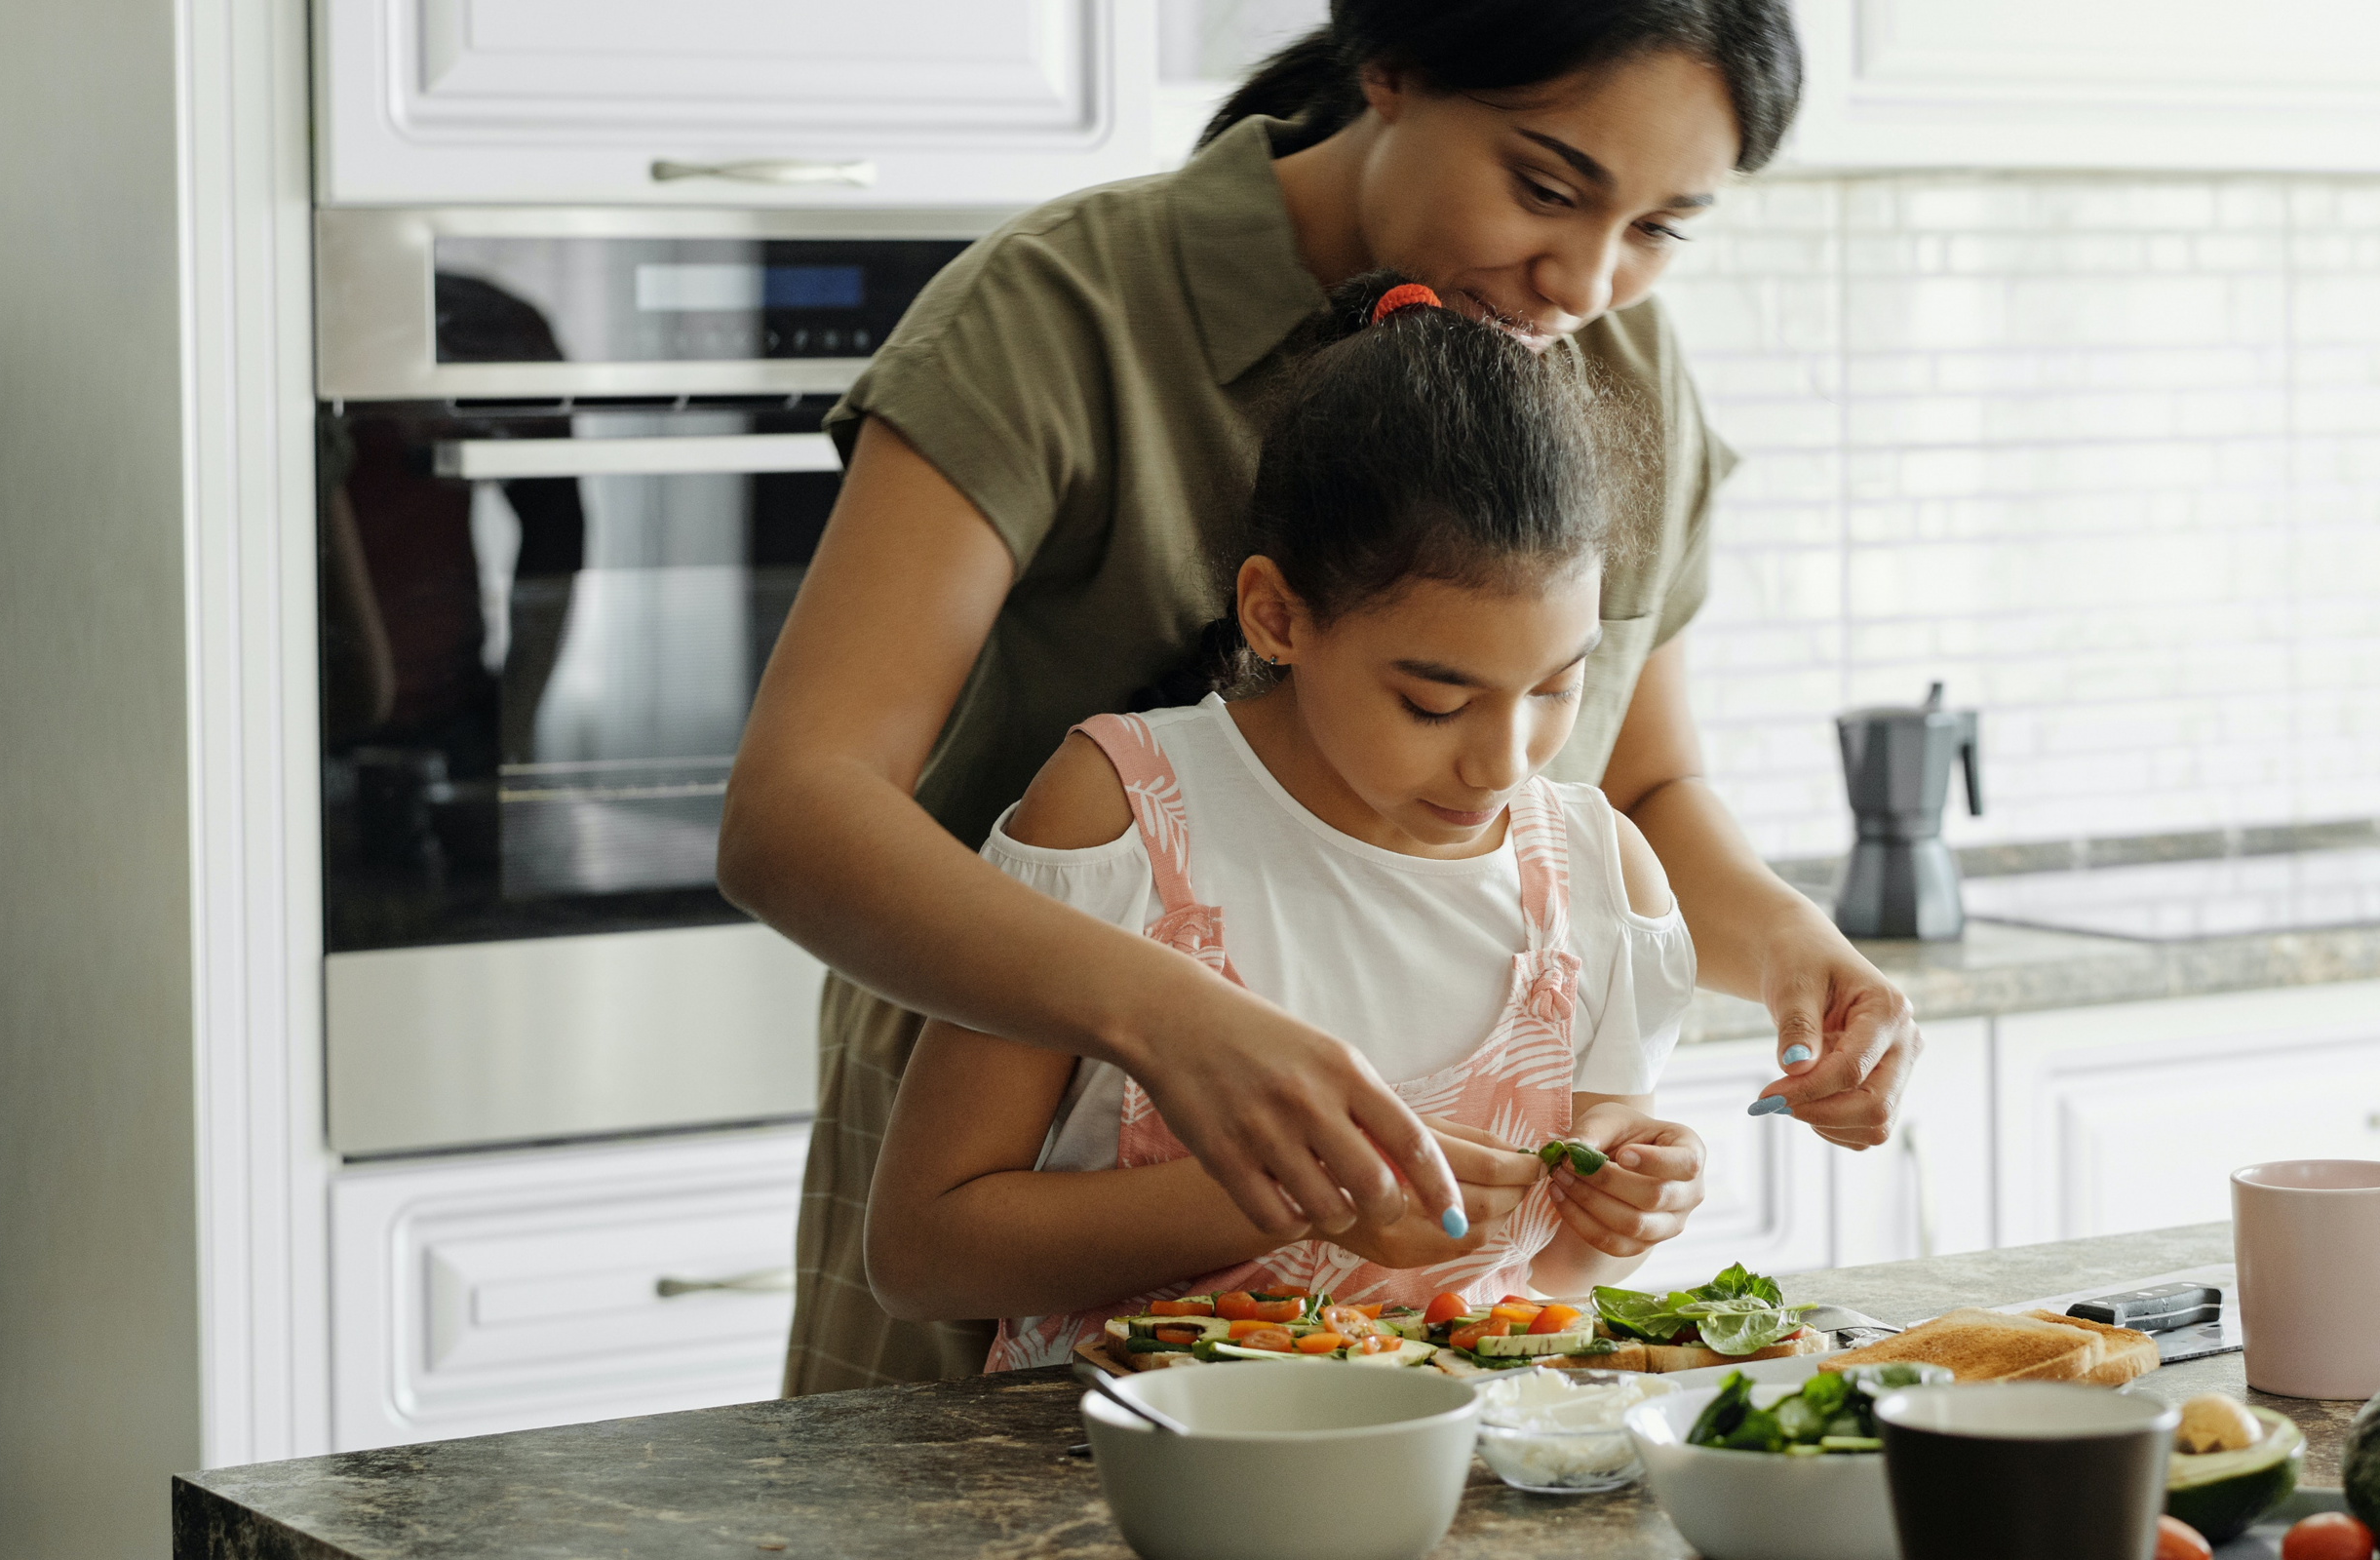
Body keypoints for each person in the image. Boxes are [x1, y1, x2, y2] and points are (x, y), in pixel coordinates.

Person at [718, 0, 1922, 1394]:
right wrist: (1169, 1018)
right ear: (1389, 70)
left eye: (1659, 229)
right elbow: (797, 813)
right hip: (1018, 1158)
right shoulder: (1065, 308)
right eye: (1545, 186)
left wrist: (1790, 950)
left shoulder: (1622, 375)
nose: (1586, 281)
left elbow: (1635, 788)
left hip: (1410, 1340)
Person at [869, 278, 1703, 1361]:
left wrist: (1620, 1216)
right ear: (1276, 614)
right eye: (1434, 702)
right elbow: (921, 1253)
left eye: (1556, 686)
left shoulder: (1599, 879)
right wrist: (1296, 1195)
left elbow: (1549, 1282)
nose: (1504, 761)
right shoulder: (1121, 816)